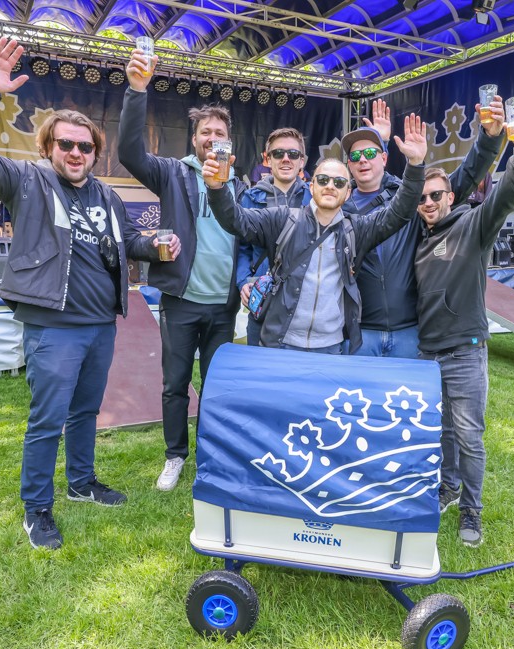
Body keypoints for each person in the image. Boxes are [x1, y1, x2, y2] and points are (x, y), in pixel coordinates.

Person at [0, 37, 174, 550]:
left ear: (96, 151)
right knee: (47, 419)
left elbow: (121, 244)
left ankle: (81, 483)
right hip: (52, 327)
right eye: (66, 145)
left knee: (84, 413)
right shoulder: (25, 182)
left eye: (85, 146)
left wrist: (153, 245)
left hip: (100, 326)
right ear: (49, 148)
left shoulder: (107, 196)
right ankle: (37, 509)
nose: (76, 153)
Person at [118, 48, 247, 493]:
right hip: (181, 301)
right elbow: (130, 152)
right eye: (205, 132)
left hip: (223, 306)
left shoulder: (241, 184)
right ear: (194, 139)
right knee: (175, 384)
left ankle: (213, 455)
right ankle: (175, 456)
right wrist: (138, 91)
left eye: (220, 132)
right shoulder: (172, 173)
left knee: (216, 386)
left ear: (230, 140)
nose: (212, 137)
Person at [413, 111, 514, 548]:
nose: (429, 202)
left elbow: (505, 195)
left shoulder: (473, 225)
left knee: (469, 436)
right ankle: (447, 488)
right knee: (442, 432)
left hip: (465, 352)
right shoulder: (418, 236)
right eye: (423, 197)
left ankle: (472, 510)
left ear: (451, 196)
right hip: (427, 353)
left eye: (436, 195)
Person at [202, 114, 429, 353]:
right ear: (312, 186)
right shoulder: (283, 219)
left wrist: (414, 165)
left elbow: (399, 212)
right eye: (323, 180)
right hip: (282, 342)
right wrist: (216, 188)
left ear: (348, 193)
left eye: (339, 182)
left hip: (330, 347)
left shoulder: (356, 228)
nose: (331, 186)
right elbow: (236, 221)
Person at [341, 97, 506, 358]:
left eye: (371, 153)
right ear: (349, 163)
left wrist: (489, 137)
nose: (363, 160)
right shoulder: (340, 211)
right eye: (356, 155)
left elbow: (463, 179)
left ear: (384, 158)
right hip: (362, 332)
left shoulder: (413, 196)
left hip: (409, 330)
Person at [236, 128, 312, 346]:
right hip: (264, 305)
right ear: (268, 160)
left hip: (303, 307)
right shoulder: (250, 198)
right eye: (278, 154)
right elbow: (242, 248)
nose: (286, 159)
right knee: (260, 375)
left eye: (293, 154)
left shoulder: (315, 198)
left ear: (302, 161)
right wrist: (243, 282)